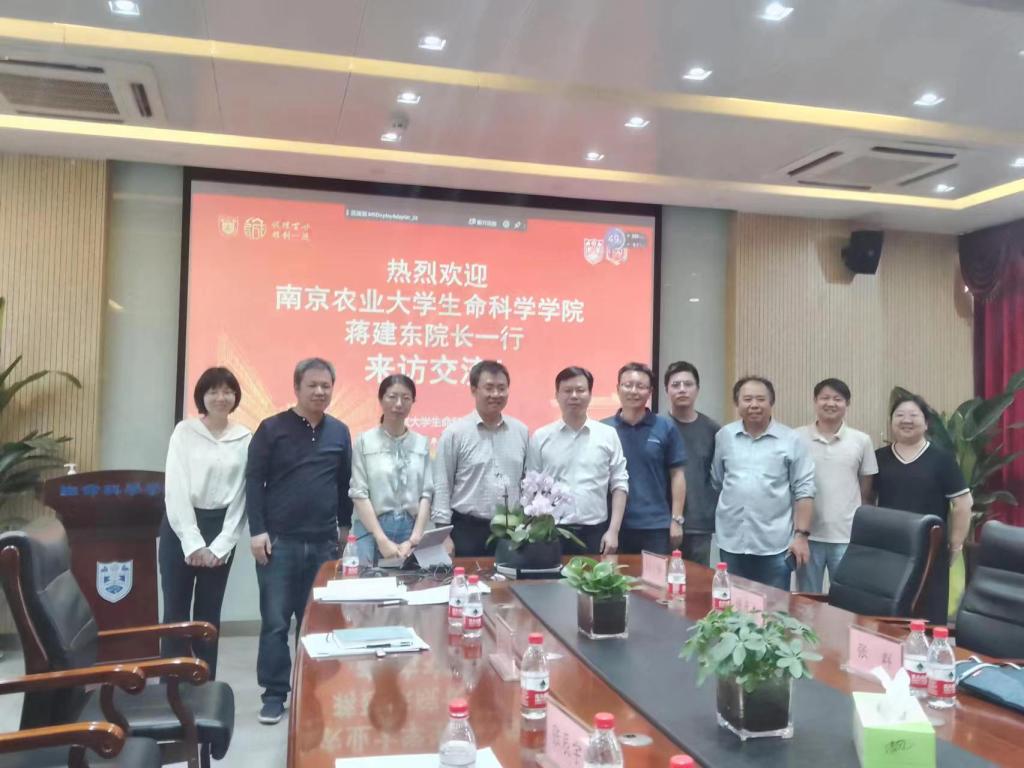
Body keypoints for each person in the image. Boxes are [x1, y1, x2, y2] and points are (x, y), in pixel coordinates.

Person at [247, 358, 353, 725]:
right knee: (276, 622)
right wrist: (257, 530)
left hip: (323, 543)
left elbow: (344, 484)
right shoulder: (271, 428)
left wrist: (344, 528)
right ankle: (274, 694)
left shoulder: (339, 431)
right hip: (279, 542)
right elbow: (253, 481)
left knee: (317, 622)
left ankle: (311, 690)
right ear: (296, 388)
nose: (320, 392)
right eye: (313, 385)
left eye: (326, 386)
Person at [161, 366, 251, 678]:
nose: (221, 397)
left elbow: (242, 495)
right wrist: (193, 541)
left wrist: (222, 544)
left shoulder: (245, 438)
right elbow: (176, 488)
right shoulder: (184, 432)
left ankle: (204, 682)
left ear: (235, 396)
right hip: (180, 526)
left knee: (209, 614)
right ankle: (171, 684)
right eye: (213, 391)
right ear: (202, 396)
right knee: (175, 611)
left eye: (227, 391)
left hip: (221, 527)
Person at [873, 393, 972, 625]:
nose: (906, 420)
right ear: (891, 422)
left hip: (931, 550)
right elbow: (868, 500)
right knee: (889, 615)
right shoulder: (879, 458)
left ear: (926, 423)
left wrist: (955, 545)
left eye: (913, 415)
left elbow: (963, 503)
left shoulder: (942, 459)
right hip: (889, 550)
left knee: (928, 615)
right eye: (900, 415)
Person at [712, 376, 815, 591]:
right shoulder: (725, 436)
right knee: (732, 604)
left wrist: (801, 536)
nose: (754, 405)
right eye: (747, 399)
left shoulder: (791, 440)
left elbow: (804, 490)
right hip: (732, 542)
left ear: (771, 402)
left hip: (775, 545)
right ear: (737, 403)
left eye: (760, 399)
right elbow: (719, 480)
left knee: (774, 607)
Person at [526, 366, 629, 554]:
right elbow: (531, 488)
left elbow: (620, 484)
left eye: (580, 390)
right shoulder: (541, 437)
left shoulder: (608, 435)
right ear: (557, 395)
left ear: (590, 395)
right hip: (552, 531)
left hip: (595, 531)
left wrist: (613, 531)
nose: (574, 396)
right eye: (567, 390)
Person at [432, 360, 528, 556]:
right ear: (474, 390)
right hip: (467, 530)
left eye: (501, 388)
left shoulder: (521, 432)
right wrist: (443, 535)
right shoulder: (455, 433)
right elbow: (442, 485)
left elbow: (527, 482)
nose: (496, 394)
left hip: (512, 531)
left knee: (510, 577)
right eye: (489, 388)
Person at [795, 378, 877, 592]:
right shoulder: (796, 437)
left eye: (837, 399)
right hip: (807, 536)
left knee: (845, 598)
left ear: (847, 403)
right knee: (807, 598)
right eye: (825, 398)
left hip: (846, 536)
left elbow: (866, 487)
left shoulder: (861, 440)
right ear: (815, 401)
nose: (830, 403)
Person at [602, 362, 686, 555]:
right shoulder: (603, 429)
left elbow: (677, 475)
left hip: (654, 526)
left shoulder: (665, 427)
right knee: (613, 575)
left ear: (650, 392)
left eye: (641, 386)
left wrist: (676, 519)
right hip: (612, 525)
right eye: (628, 385)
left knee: (654, 576)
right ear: (618, 388)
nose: (634, 391)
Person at [349, 374, 432, 566]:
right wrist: (381, 539)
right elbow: (359, 494)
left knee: (411, 583)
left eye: (406, 398)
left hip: (409, 531)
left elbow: (426, 494)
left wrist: (414, 539)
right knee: (368, 583)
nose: (399, 404)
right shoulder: (364, 441)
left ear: (413, 402)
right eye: (392, 397)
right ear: (380, 399)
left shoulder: (421, 443)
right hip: (371, 530)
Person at [664, 361, 720, 566]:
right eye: (675, 385)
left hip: (699, 524)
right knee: (662, 580)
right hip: (662, 523)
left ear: (697, 389)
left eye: (688, 384)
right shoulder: (658, 426)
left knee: (698, 582)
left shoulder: (713, 429)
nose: (682, 389)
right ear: (666, 390)